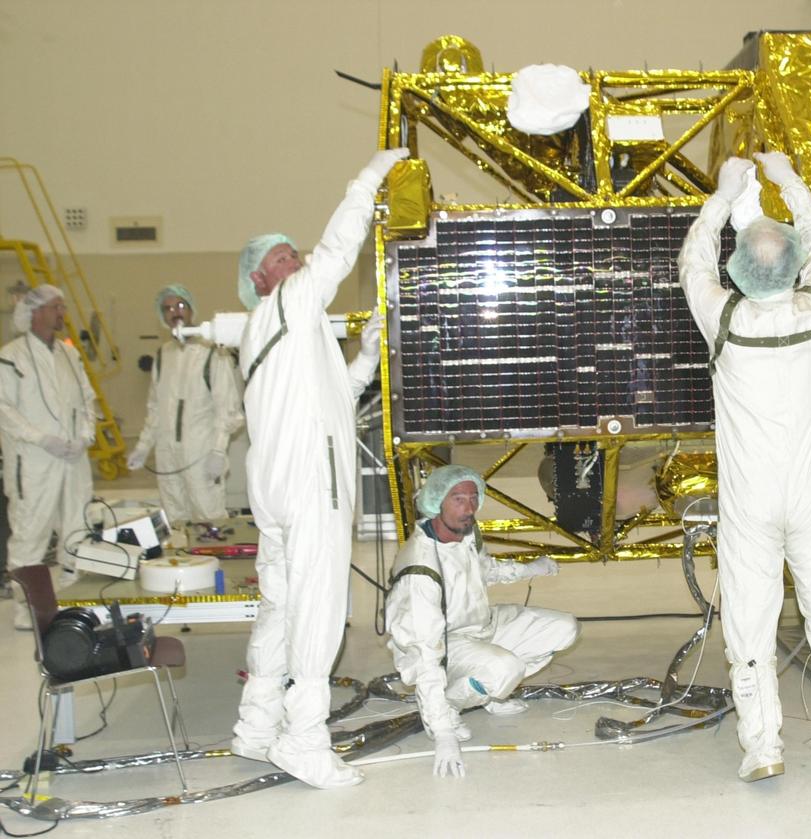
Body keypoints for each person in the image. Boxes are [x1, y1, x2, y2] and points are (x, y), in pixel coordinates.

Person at [678, 153, 811, 782]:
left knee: (751, 627)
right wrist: (787, 180)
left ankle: (762, 747)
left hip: (752, 503)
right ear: (793, 265)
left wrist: (722, 197)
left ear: (738, 270)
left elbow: (693, 262)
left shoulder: (723, 318)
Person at [228, 147, 406, 789]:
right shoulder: (288, 302)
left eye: (293, 253)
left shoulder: (276, 330)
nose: (297, 260)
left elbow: (333, 400)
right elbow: (337, 250)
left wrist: (365, 359)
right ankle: (304, 738)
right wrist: (366, 183)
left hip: (276, 483)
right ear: (260, 278)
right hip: (308, 481)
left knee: (280, 603)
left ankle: (256, 724)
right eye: (283, 257)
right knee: (319, 603)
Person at [384, 464, 578, 779]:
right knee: (506, 668)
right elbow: (424, 655)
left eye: (474, 497)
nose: (469, 507)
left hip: (482, 625)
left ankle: (489, 691)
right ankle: (451, 705)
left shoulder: (467, 532)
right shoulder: (419, 569)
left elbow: (484, 569)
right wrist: (442, 733)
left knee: (564, 629)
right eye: (458, 499)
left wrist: (530, 569)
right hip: (445, 644)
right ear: (436, 502)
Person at [0, 285, 97, 629]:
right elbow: (4, 408)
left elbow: (87, 398)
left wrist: (85, 435)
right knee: (31, 531)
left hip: (72, 458)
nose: (62, 313)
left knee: (76, 526)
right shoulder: (11, 356)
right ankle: (26, 607)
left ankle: (73, 594)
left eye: (62, 306)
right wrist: (41, 438)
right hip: (34, 460)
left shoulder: (69, 354)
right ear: (35, 312)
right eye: (56, 307)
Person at [127, 285, 244, 524]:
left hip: (201, 454)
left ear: (192, 310)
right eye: (168, 308)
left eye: (180, 306)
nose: (175, 312)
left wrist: (218, 450)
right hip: (167, 455)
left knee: (209, 518)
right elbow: (155, 409)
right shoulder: (163, 356)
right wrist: (143, 446)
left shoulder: (211, 353)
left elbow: (227, 409)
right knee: (175, 518)